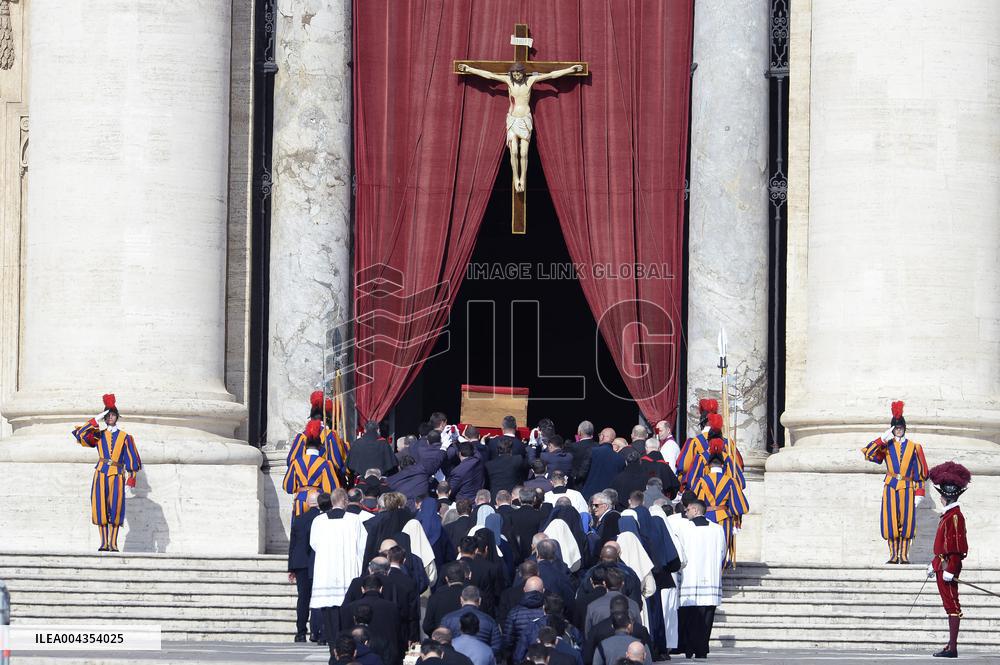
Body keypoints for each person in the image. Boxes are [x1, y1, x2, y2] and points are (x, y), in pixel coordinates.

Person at [71, 393, 142, 552]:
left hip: (117, 474)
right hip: (101, 473)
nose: (110, 417)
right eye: (107, 415)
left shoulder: (125, 437)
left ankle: (113, 543)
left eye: (112, 415)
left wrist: (132, 478)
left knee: (116, 507)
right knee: (100, 506)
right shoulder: (98, 435)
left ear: (117, 417)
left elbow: (131, 457)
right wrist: (96, 419)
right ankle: (104, 543)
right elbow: (81, 434)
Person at [861, 401, 929, 564]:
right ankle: (893, 555)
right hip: (890, 486)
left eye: (900, 427)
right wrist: (881, 439)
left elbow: (920, 474)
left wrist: (919, 493)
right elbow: (868, 454)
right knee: (890, 521)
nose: (898, 430)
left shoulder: (915, 447)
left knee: (906, 522)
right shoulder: (886, 446)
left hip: (907, 487)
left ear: (904, 428)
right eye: (895, 428)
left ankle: (904, 556)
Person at [310, 488, 367, 648]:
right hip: (346, 570)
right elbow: (362, 546)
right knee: (345, 607)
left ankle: (331, 640)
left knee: (328, 609)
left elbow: (314, 544)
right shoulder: (354, 520)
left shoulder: (318, 521)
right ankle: (346, 641)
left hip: (326, 569)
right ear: (344, 501)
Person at [926, 461, 971, 659]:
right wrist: (934, 563)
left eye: (942, 496)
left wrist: (951, 568)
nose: (941, 499)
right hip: (942, 565)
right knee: (948, 605)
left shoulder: (955, 516)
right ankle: (950, 645)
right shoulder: (948, 515)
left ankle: (952, 648)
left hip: (948, 567)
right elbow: (943, 545)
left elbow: (957, 547)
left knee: (953, 606)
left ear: (947, 497)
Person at [676, 499, 726, 660]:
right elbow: (722, 552)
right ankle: (702, 648)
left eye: (688, 509)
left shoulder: (684, 529)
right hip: (710, 578)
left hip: (690, 578)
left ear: (696, 511)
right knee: (706, 617)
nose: (686, 512)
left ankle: (689, 648)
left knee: (690, 616)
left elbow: (680, 554)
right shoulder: (718, 530)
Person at [688, 438, 749, 568]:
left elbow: (695, 499)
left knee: (705, 551)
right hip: (724, 519)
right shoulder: (731, 481)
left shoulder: (701, 481)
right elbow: (740, 506)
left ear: (709, 465)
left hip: (705, 517)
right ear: (723, 465)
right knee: (721, 550)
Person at [287, 490, 324, 643]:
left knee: (303, 598)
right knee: (318, 597)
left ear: (308, 503)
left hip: (301, 563)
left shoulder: (299, 518)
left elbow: (293, 545)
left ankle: (300, 632)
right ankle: (317, 631)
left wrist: (291, 568)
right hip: (318, 562)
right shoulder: (323, 519)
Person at [284, 419, 340, 517]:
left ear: (305, 446)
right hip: (318, 500)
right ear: (319, 446)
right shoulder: (325, 464)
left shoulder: (295, 463)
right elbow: (331, 489)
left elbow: (288, 487)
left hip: (300, 501)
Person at [342, 575, 403, 665]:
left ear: (362, 589)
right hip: (388, 657)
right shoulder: (392, 607)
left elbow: (344, 634)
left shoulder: (349, 608)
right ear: (381, 589)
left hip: (356, 658)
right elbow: (398, 632)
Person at [440, 586, 502, 658]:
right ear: (479, 600)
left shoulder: (448, 619)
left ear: (461, 599)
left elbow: (441, 640)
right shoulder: (489, 620)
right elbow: (496, 646)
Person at [584, 567, 643, 637]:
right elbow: (639, 632)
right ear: (623, 583)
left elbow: (588, 635)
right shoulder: (633, 605)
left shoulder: (592, 607)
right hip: (628, 645)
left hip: (602, 646)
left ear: (604, 583)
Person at [503, 576, 546, 663]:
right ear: (543, 591)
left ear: (524, 590)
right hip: (543, 659)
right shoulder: (546, 612)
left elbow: (508, 640)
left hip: (521, 658)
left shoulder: (514, 613)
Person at [676, 399, 717, 490]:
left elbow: (684, 467)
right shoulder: (728, 443)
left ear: (702, 423)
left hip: (699, 487)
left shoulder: (694, 442)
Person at [424, 562, 470, 638]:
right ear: (464, 577)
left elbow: (427, 626)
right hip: (465, 640)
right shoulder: (470, 594)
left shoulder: (435, 597)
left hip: (441, 641)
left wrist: (437, 636)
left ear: (446, 578)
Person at [581, 431, 626, 500]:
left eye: (600, 435)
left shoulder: (592, 451)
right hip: (608, 497)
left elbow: (583, 472)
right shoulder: (620, 459)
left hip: (590, 495)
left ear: (602, 437)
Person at [566, 421, 597, 488]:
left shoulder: (572, 447)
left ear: (579, 432)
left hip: (576, 484)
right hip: (593, 484)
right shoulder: (598, 446)